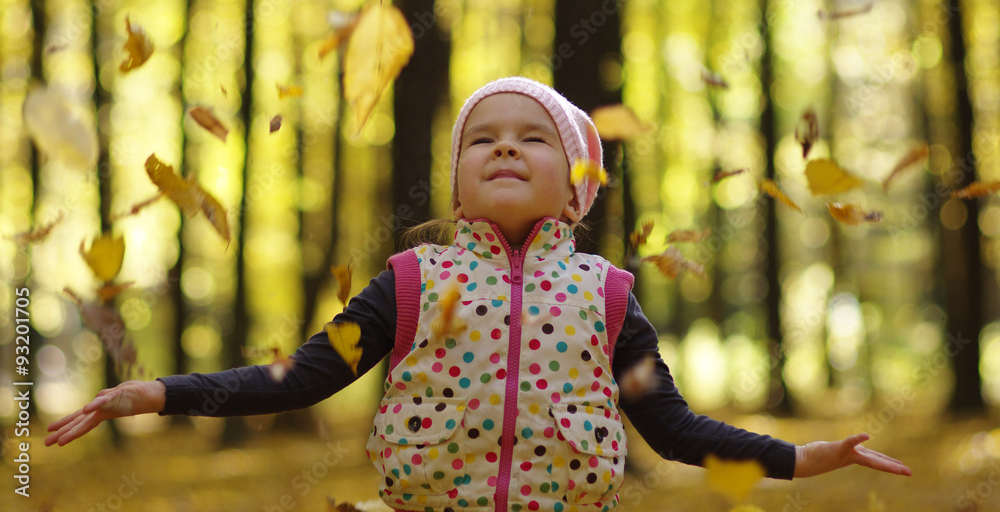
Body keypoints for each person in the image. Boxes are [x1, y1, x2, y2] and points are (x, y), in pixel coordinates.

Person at [47, 76, 910, 511]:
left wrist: (803, 458)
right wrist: (159, 392)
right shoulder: (414, 283)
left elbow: (674, 427)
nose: (504, 147)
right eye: (482, 139)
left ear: (577, 185)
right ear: (458, 186)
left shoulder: (608, 297)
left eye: (533, 137)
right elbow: (301, 377)